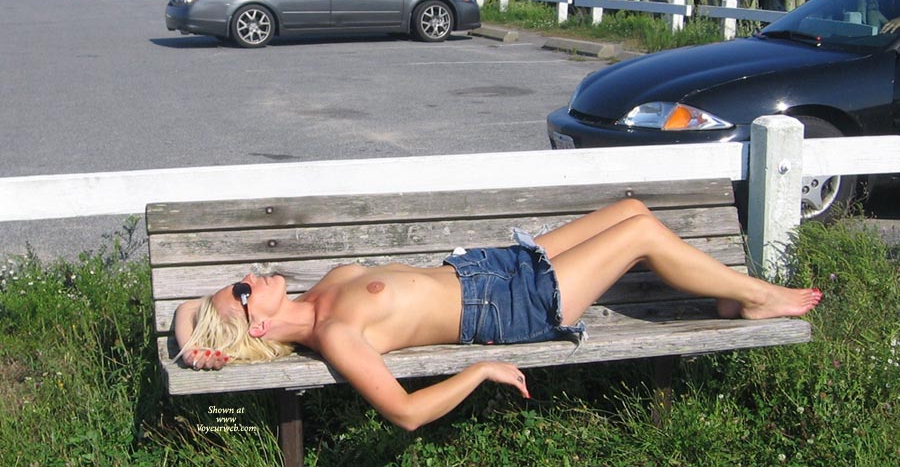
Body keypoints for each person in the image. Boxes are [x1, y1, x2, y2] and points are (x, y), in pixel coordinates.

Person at [175, 198, 821, 431]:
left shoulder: (321, 292)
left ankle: (728, 297)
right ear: (257, 326)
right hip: (513, 306)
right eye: (240, 290)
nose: (248, 278)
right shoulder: (335, 333)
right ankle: (758, 297)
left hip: (496, 267)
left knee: (631, 211)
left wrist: (197, 342)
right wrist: (480, 371)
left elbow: (185, 311)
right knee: (641, 234)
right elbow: (404, 414)